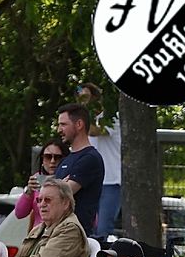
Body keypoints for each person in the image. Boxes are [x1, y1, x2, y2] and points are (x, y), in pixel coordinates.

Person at [76, 83, 121, 239]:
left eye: (89, 98)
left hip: (110, 182)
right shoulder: (85, 123)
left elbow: (95, 131)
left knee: (103, 229)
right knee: (84, 228)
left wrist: (81, 109)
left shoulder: (112, 119)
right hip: (90, 182)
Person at [55, 102, 104, 236]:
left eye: (63, 125)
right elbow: (49, 193)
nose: (59, 130)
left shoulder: (90, 158)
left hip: (74, 235)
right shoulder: (66, 160)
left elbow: (60, 194)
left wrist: (59, 188)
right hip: (57, 232)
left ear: (79, 125)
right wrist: (59, 186)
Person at [14, 139, 69, 231]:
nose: (52, 161)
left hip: (62, 233)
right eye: (47, 157)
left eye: (57, 157)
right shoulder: (36, 179)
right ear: (42, 160)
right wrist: (29, 191)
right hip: (39, 236)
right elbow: (19, 213)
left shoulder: (71, 180)